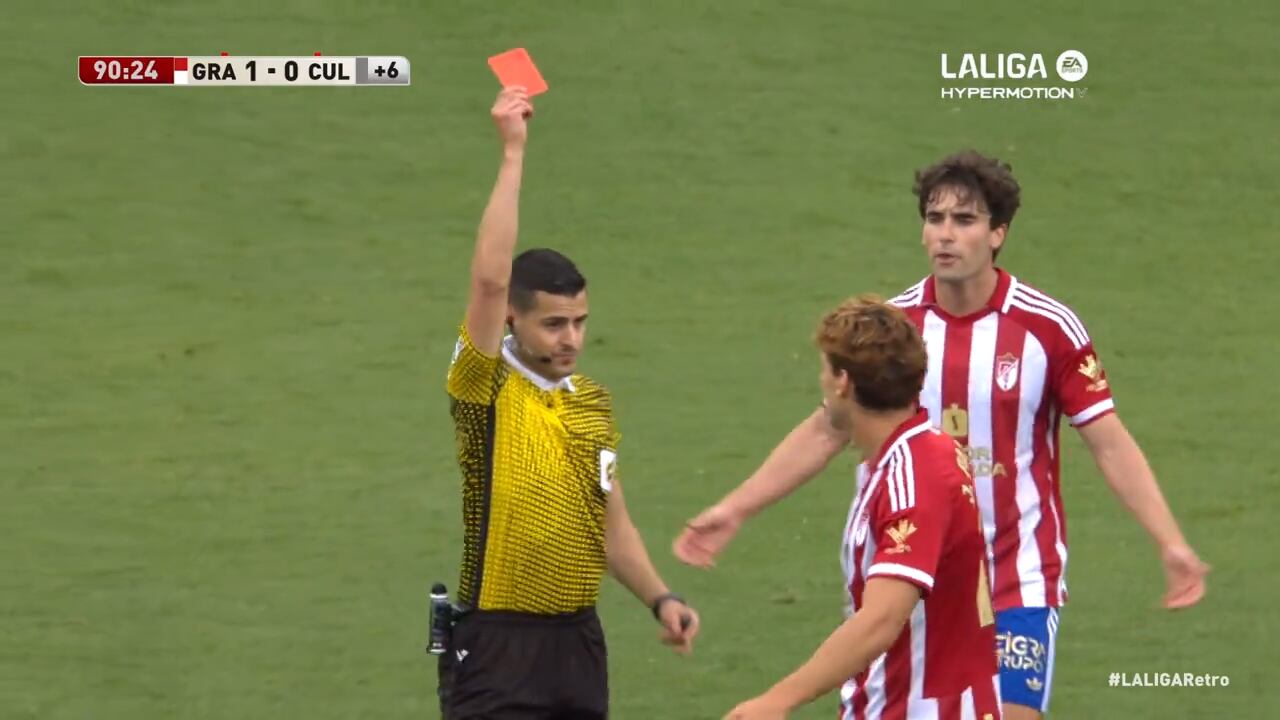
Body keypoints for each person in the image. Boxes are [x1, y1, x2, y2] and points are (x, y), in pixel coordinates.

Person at [677, 150, 1208, 720]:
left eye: (965, 220)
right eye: (935, 219)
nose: (945, 235)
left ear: (998, 233)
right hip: (915, 578)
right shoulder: (896, 329)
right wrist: (736, 508)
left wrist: (1169, 540)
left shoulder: (1048, 327)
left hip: (1016, 579)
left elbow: (1107, 440)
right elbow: (827, 428)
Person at [438, 86, 700, 720]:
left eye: (580, 321)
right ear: (513, 319)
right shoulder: (484, 386)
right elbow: (489, 278)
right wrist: (513, 152)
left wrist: (661, 598)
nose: (572, 338)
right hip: (496, 644)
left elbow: (611, 526)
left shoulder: (593, 404)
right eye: (554, 323)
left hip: (579, 645)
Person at [724, 296, 1001, 720]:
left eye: (824, 369)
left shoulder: (915, 476)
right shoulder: (911, 454)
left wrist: (777, 700)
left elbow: (881, 619)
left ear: (842, 382)